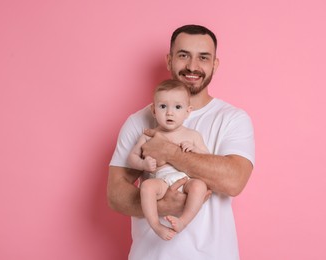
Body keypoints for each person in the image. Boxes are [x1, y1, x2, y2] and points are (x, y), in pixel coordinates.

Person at [108, 24, 255, 260]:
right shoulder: (139, 121)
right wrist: (164, 205)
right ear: (169, 60)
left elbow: (234, 181)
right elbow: (115, 194)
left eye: (203, 58)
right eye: (183, 55)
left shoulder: (232, 119)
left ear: (215, 65)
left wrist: (171, 153)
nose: (192, 66)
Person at [127, 79, 209, 241]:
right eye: (163, 106)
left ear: (188, 111)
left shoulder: (192, 135)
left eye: (177, 107)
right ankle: (156, 225)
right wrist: (143, 163)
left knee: (200, 186)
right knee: (147, 187)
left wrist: (196, 150)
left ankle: (183, 221)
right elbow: (131, 158)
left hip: (185, 180)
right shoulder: (148, 135)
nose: (169, 113)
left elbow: (207, 158)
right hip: (162, 182)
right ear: (154, 110)